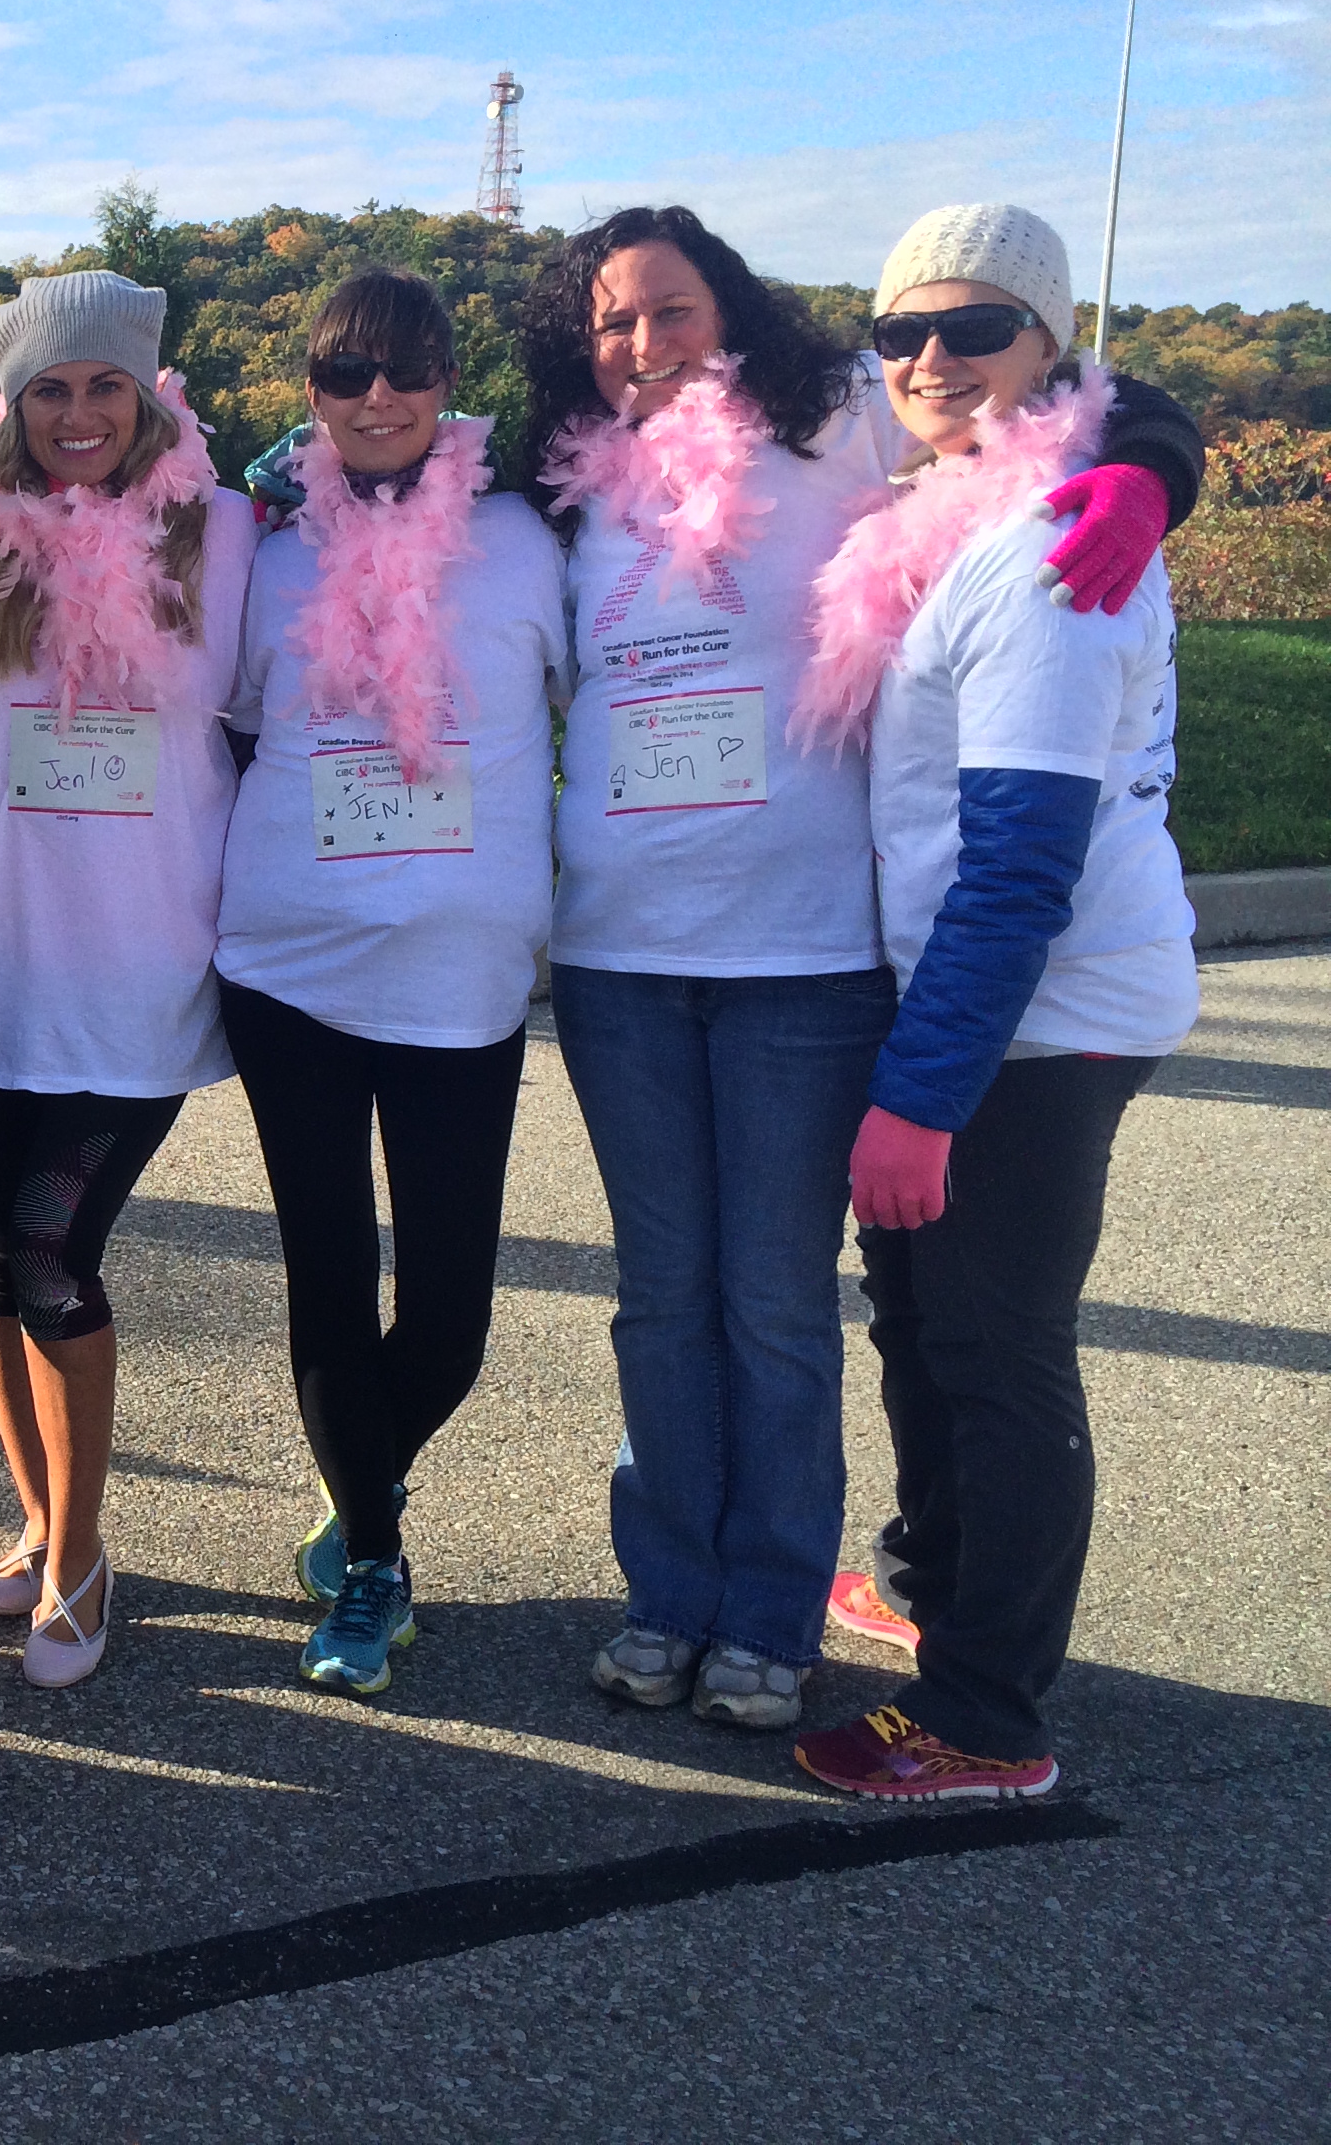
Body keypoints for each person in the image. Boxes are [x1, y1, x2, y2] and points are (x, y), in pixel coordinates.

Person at [510, 207, 1202, 1729]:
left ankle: (770, 1609)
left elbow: (1032, 401)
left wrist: (1153, 466)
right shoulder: (568, 480)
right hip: (622, 959)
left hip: (806, 959)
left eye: (674, 309)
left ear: (731, 310)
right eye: (613, 321)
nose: (645, 343)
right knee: (659, 1298)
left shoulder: (830, 421)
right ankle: (668, 1591)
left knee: (774, 1303)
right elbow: (388, 490)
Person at [784, 206, 1196, 1801]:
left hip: (1039, 1013)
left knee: (995, 1349)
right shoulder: (960, 509)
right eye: (903, 332)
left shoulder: (1049, 553)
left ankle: (987, 1716)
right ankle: (938, 1588)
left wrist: (923, 1092)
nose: (933, 359)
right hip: (981, 1003)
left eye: (976, 328)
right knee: (923, 1318)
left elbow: (1022, 861)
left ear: (1054, 345)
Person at [215, 268, 566, 1700]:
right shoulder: (267, 547)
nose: (379, 398)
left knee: (448, 1317)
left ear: (447, 382)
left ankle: (363, 1470)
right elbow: (230, 717)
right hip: (290, 960)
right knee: (327, 1274)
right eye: (347, 374)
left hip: (461, 976)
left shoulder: (526, 539)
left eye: (408, 370)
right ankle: (372, 1556)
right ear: (310, 390)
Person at [0, 270, 251, 1689]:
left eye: (104, 385)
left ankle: (82, 1553)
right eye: (49, 389)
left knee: (55, 1252)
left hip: (137, 971)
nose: (77, 415)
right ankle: (38, 1515)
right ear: (12, 405)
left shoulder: (221, 533)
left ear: (147, 392)